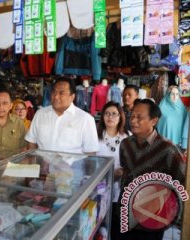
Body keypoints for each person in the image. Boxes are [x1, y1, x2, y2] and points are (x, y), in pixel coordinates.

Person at [112, 99, 185, 240]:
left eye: (139, 117)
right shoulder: (125, 144)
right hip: (124, 212)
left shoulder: (168, 149)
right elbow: (125, 170)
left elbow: (180, 183)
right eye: (132, 116)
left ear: (154, 121)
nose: (133, 120)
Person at [26, 78, 99, 154]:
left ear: (72, 97)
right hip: (44, 165)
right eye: (54, 92)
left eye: (61, 93)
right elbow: (31, 142)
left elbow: (91, 152)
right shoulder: (40, 114)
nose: (56, 97)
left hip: (72, 165)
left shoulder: (85, 119)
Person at [97, 101, 130, 203]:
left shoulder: (127, 136)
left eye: (114, 113)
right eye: (107, 113)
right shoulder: (95, 135)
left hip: (120, 184)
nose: (110, 116)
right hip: (99, 182)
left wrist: (120, 172)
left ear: (120, 116)